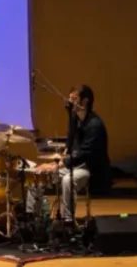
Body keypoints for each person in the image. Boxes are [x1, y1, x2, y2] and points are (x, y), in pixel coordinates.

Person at [29, 85, 111, 224]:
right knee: (38, 173)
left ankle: (68, 221)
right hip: (73, 163)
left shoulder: (95, 125)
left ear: (85, 101)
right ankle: (33, 218)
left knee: (68, 180)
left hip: (89, 167)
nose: (70, 102)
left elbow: (84, 154)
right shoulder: (75, 118)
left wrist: (58, 165)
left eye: (74, 99)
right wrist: (60, 157)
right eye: (70, 98)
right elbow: (71, 141)